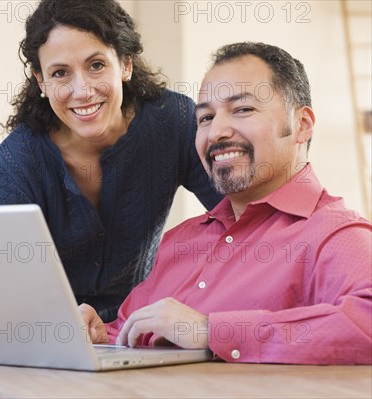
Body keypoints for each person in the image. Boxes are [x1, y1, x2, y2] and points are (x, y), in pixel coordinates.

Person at [81, 42, 372, 365]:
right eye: (205, 117)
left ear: (301, 125)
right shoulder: (182, 241)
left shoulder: (336, 232)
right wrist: (98, 334)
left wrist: (211, 332)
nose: (216, 131)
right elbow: (130, 330)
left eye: (243, 109)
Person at [0, 0, 222, 322]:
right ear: (40, 81)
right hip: (54, 330)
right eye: (60, 73)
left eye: (96, 65)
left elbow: (240, 219)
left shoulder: (174, 121)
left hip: (144, 322)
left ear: (125, 64)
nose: (82, 90)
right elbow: (17, 284)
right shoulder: (17, 160)